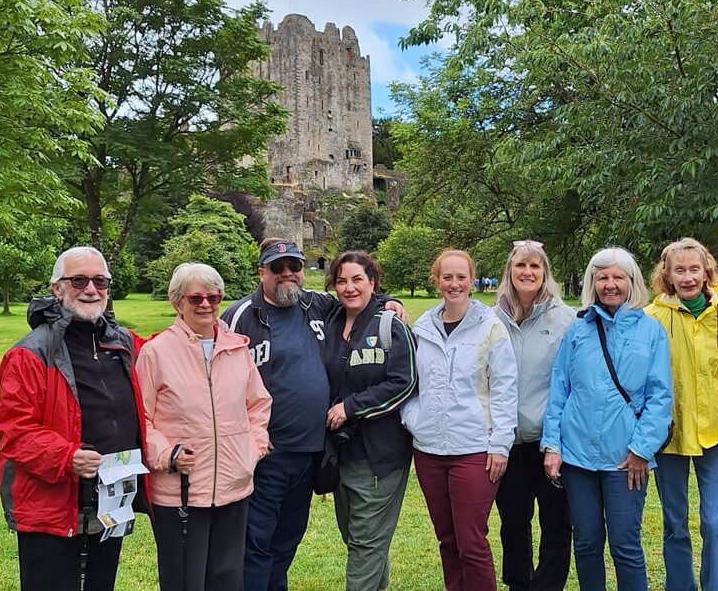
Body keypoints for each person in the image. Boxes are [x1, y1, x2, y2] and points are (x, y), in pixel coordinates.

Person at [221, 238, 407, 591]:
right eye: (278, 268)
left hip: (311, 454)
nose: (288, 274)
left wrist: (389, 302)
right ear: (262, 272)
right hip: (265, 453)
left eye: (295, 266)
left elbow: (358, 297)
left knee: (287, 540)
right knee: (256, 543)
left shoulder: (317, 305)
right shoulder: (241, 315)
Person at [0, 246, 148, 590]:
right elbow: (14, 432)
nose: (91, 289)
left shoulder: (123, 343)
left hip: (111, 500)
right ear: (56, 288)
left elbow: (169, 357)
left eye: (100, 281)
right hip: (51, 507)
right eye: (78, 280)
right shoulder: (30, 353)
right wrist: (66, 457)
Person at [541, 247, 673, 591]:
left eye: (618, 277)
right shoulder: (578, 330)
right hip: (577, 457)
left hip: (626, 458)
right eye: (603, 278)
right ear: (593, 282)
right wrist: (552, 445)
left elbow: (661, 398)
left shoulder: (651, 331)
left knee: (625, 545)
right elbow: (560, 391)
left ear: (631, 282)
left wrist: (642, 449)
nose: (610, 284)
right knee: (585, 542)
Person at [137, 262, 272, 590]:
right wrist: (166, 454)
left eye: (214, 297)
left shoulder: (237, 348)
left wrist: (251, 450)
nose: (206, 305)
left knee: (227, 578)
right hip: (180, 491)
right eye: (196, 298)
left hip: (233, 487)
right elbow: (141, 419)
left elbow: (258, 405)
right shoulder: (156, 353)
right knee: (185, 581)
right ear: (177, 302)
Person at [401, 249, 518, 591]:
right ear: (436, 281)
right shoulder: (422, 328)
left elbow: (505, 389)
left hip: (475, 450)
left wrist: (500, 445)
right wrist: (414, 419)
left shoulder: (490, 328)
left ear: (472, 280)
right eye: (447, 277)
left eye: (461, 277)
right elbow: (409, 383)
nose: (454, 284)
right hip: (429, 451)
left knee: (471, 541)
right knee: (447, 539)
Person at [645, 238, 718, 591]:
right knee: (674, 521)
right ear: (667, 275)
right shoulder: (650, 318)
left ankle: (716, 586)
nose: (688, 277)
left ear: (707, 272)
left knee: (715, 522)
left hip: (717, 430)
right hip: (669, 433)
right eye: (679, 270)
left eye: (694, 269)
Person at [322, 251, 418, 591]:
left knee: (365, 544)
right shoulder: (329, 321)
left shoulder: (389, 325)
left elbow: (403, 382)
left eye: (357, 279)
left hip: (379, 456)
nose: (349, 288)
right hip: (340, 454)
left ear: (372, 282)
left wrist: (350, 408)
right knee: (359, 538)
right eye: (342, 281)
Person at [493, 240, 577, 591]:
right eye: (520, 266)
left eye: (535, 267)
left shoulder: (566, 320)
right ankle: (519, 584)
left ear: (545, 274)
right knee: (513, 521)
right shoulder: (490, 319)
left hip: (551, 440)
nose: (527, 273)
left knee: (557, 522)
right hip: (506, 442)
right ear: (510, 273)